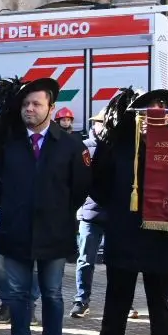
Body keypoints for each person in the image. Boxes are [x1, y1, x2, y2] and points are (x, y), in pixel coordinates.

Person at [0, 78, 91, 335]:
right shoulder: (9, 143)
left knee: (52, 293)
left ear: (51, 108)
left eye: (36, 104)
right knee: (18, 294)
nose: (30, 109)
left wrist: (56, 210)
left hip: (53, 231)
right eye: (26, 104)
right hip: (16, 228)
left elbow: (80, 186)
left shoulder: (70, 144)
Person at [88, 90, 168, 335]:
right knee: (118, 294)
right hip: (125, 231)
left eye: (159, 108)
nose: (150, 115)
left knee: (161, 297)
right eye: (144, 110)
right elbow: (98, 184)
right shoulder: (117, 145)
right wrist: (120, 208)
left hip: (163, 233)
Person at [71, 111, 105, 318]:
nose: (104, 127)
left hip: (111, 213)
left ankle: (122, 304)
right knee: (85, 259)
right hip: (90, 213)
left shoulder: (116, 146)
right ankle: (81, 299)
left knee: (118, 262)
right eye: (101, 123)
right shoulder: (84, 147)